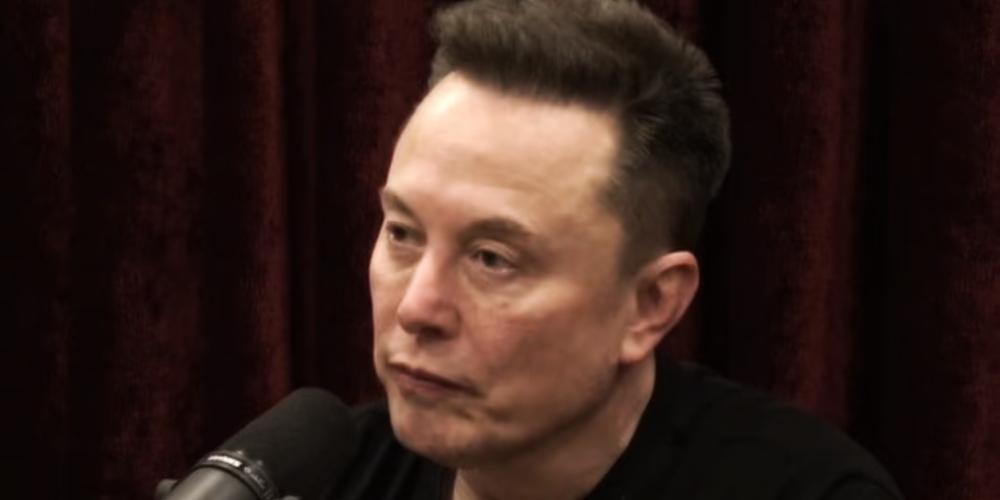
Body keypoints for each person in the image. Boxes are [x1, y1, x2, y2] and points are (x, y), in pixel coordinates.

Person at [330, 0, 903, 498]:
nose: (416, 309)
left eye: (492, 259)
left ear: (651, 304)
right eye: (403, 234)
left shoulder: (810, 491)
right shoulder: (327, 475)